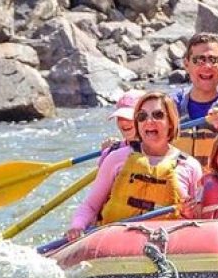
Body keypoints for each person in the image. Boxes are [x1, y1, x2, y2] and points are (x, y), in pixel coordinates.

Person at [66, 91, 202, 241]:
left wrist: (190, 212)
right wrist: (77, 227)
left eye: (157, 115)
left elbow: (198, 218)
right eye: (142, 117)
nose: (149, 121)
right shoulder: (116, 158)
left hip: (167, 243)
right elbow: (90, 206)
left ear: (171, 122)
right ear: (137, 124)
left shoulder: (190, 166)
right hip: (115, 242)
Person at [170, 33, 218, 167]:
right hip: (180, 182)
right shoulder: (172, 104)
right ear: (186, 64)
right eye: (199, 60)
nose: (207, 66)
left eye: (213, 60)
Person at [97, 89, 143, 165]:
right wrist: (106, 153)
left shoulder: (159, 149)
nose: (123, 122)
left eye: (128, 117)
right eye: (120, 117)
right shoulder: (111, 151)